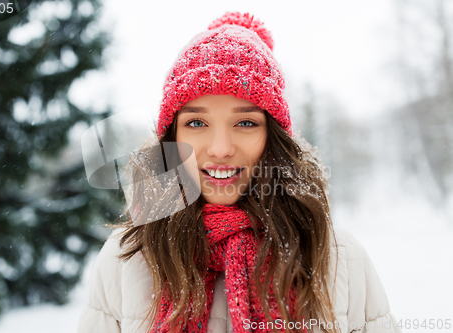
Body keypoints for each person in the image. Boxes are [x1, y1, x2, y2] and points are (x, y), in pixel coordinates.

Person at [78, 12, 401, 333]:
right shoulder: (126, 259)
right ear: (172, 138)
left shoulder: (337, 258)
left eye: (245, 123)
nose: (220, 148)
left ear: (273, 138)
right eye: (196, 123)